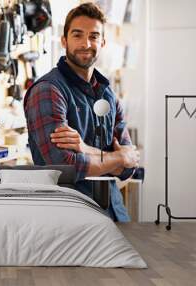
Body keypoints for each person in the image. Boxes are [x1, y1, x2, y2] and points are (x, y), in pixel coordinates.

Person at [24, 2, 140, 222]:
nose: (86, 43)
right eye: (77, 35)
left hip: (115, 214)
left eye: (94, 36)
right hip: (70, 219)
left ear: (103, 42)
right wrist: (118, 158)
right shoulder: (48, 90)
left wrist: (86, 150)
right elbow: (64, 166)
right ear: (64, 40)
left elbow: (129, 168)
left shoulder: (108, 95)